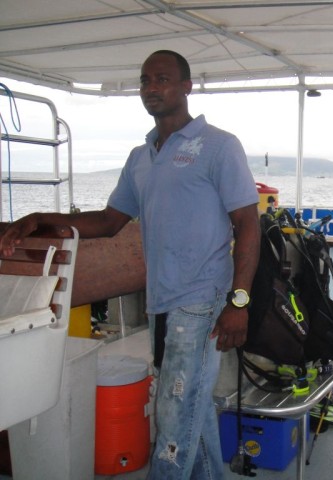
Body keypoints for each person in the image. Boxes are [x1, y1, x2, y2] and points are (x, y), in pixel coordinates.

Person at [0, 50, 261, 479]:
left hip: (201, 300)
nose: (151, 88)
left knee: (174, 417)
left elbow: (249, 226)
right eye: (144, 81)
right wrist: (42, 219)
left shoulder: (218, 145)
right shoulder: (142, 156)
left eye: (162, 79)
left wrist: (240, 302)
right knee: (191, 402)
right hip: (162, 300)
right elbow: (107, 222)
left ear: (186, 86)